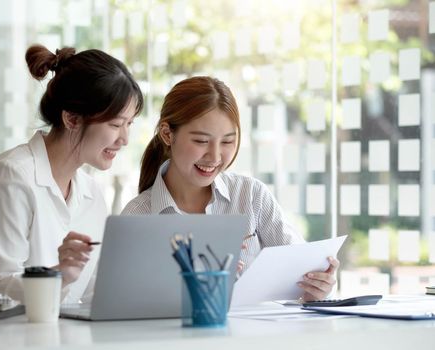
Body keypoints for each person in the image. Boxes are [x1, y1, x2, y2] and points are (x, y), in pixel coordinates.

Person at [0, 44, 143, 304]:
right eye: (116, 124)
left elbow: (89, 292)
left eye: (129, 124)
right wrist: (59, 276)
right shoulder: (12, 176)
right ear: (72, 119)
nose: (125, 139)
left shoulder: (92, 194)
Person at [121, 76, 338, 301]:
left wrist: (318, 285)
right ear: (167, 134)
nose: (215, 156)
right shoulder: (138, 216)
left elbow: (300, 266)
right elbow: (123, 303)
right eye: (201, 141)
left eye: (227, 142)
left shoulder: (251, 196)